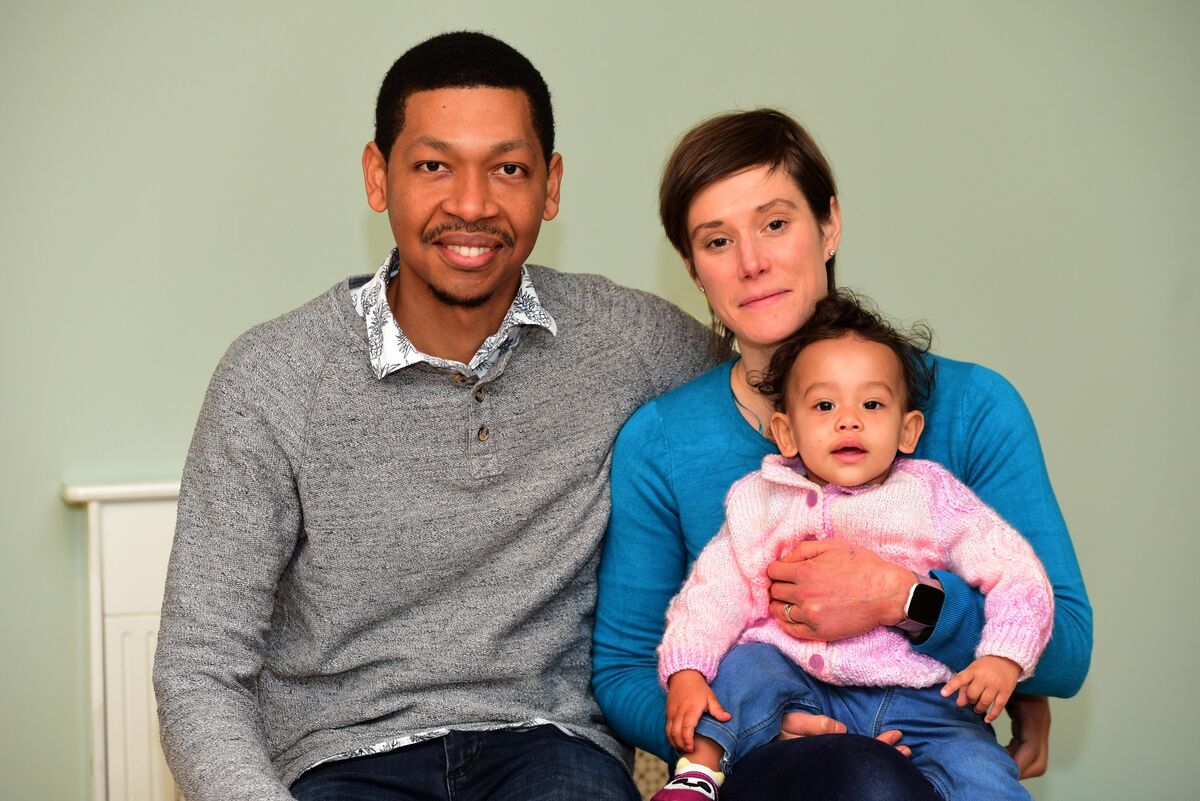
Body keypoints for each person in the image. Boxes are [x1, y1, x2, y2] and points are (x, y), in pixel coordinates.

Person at [152, 32, 724, 801]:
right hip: (338, 759)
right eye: (433, 165)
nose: (471, 204)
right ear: (376, 175)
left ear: (550, 187)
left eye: (509, 169)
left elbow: (787, 390)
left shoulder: (631, 341)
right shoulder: (272, 378)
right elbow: (199, 668)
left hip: (550, 750)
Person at [593, 109, 1093, 800]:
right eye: (717, 240)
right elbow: (623, 669)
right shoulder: (661, 440)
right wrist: (754, 724)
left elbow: (1064, 649)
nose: (752, 262)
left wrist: (903, 600)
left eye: (775, 223)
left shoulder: (974, 407)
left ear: (829, 225)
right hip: (772, 768)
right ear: (692, 266)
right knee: (861, 779)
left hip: (935, 735)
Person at [652, 291, 1054, 801]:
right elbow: (713, 593)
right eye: (824, 405)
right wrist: (687, 670)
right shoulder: (760, 500)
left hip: (924, 700)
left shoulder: (931, 495)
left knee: (983, 768)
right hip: (797, 683)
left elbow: (1017, 571)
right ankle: (698, 773)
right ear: (787, 432)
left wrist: (1004, 657)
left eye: (872, 403)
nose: (849, 420)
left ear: (908, 430)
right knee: (746, 664)